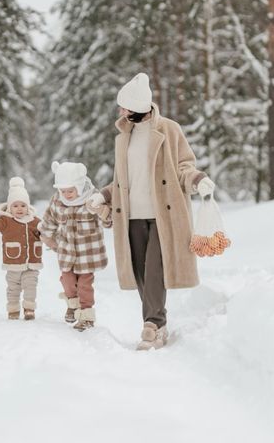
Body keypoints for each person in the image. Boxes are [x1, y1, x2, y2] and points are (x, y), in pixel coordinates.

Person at [87, 73, 215, 350]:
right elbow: (122, 180)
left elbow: (184, 165)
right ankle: (159, 323)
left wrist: (198, 179)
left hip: (164, 214)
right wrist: (103, 195)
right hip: (131, 215)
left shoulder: (169, 130)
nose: (120, 111)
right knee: (141, 272)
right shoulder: (124, 136)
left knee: (156, 268)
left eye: (124, 107)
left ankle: (153, 324)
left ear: (138, 106)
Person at [39, 161, 111, 331]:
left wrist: (102, 211)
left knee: (85, 285)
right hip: (66, 251)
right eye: (63, 191)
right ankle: (72, 304)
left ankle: (86, 315)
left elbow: (108, 222)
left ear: (79, 186)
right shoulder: (58, 200)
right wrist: (46, 235)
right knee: (67, 281)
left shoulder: (93, 198)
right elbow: (50, 218)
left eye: (70, 191)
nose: (67, 194)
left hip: (88, 253)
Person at [0, 176, 42, 320]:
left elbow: (46, 231)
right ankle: (13, 309)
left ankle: (29, 309)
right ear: (10, 207)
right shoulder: (6, 222)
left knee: (30, 287)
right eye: (15, 206)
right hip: (13, 263)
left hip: (31, 264)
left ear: (28, 207)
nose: (19, 209)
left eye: (23, 205)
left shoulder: (35, 221)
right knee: (13, 288)